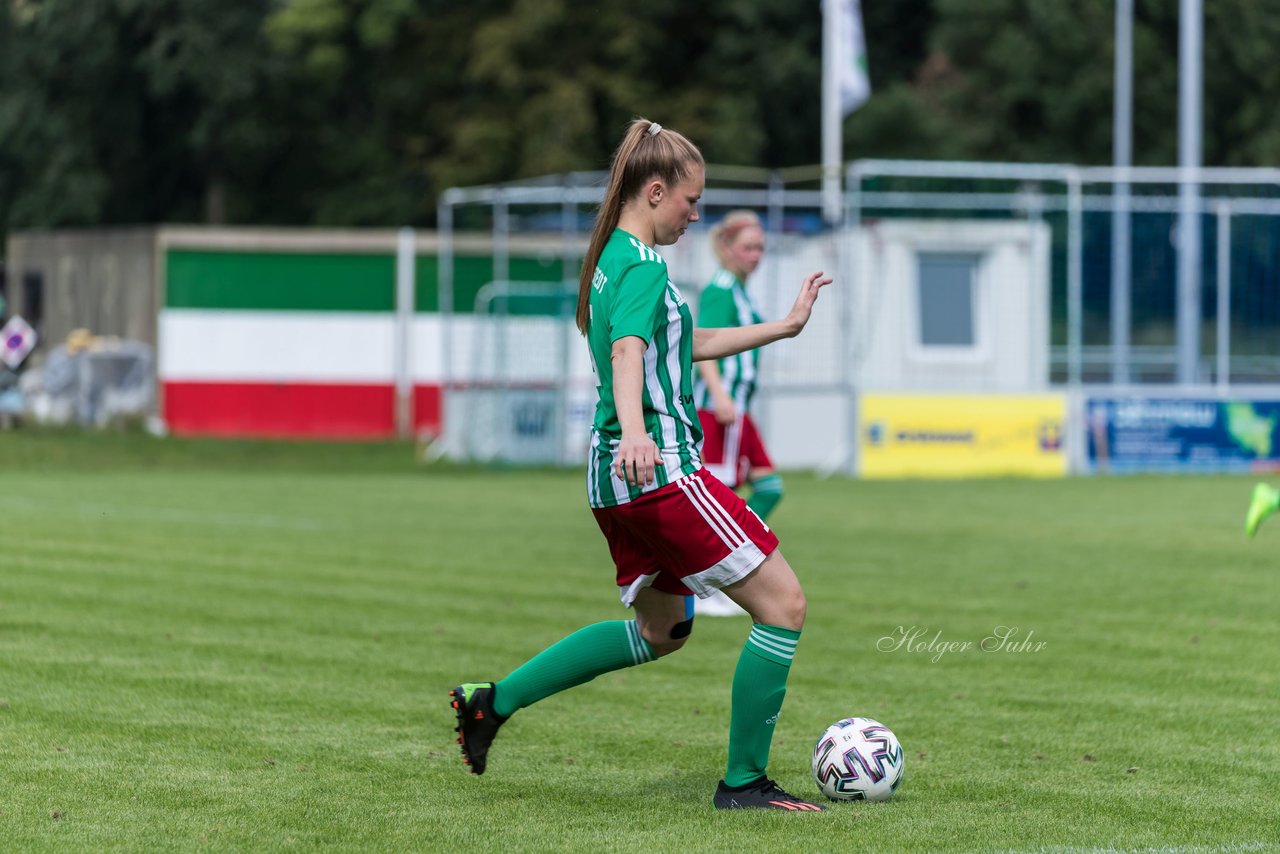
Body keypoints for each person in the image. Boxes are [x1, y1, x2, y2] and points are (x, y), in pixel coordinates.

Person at [450, 117, 832, 812]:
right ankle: (744, 782)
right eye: (691, 201)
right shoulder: (644, 265)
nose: (696, 214)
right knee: (784, 607)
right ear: (655, 192)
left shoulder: (609, 263)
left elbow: (685, 344)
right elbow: (628, 353)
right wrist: (636, 430)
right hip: (658, 470)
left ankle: (491, 703)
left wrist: (783, 326)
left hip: (612, 478)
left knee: (663, 631)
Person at [691, 210, 779, 617]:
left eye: (760, 247)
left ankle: (727, 573)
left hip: (738, 409)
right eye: (748, 247)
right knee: (721, 497)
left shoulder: (740, 289)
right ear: (727, 248)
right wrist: (719, 394)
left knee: (770, 487)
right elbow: (703, 345)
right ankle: (710, 584)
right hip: (719, 410)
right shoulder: (721, 289)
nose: (756, 255)